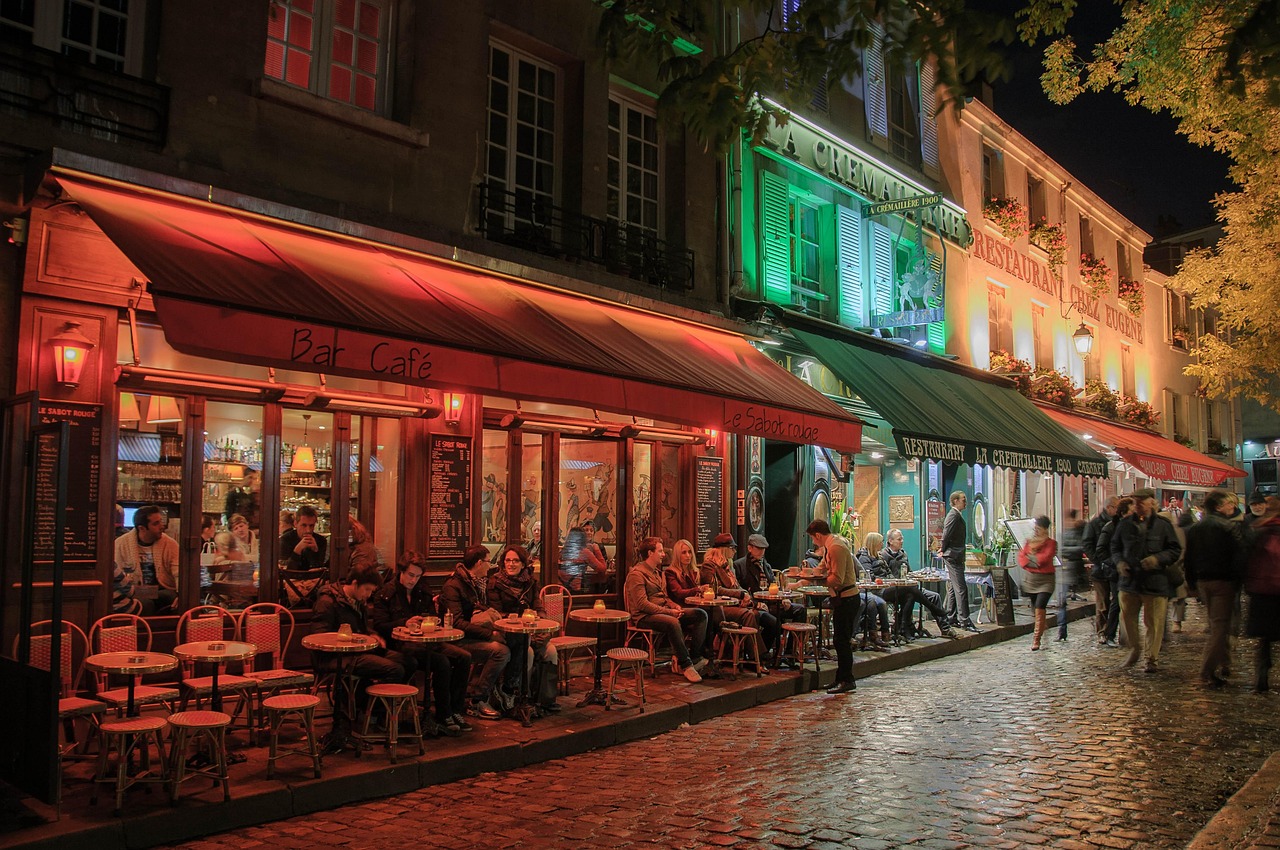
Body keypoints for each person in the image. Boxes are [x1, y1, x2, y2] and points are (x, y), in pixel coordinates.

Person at [310, 566, 414, 751]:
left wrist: (373, 635)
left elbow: (363, 629)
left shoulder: (358, 601)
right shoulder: (328, 601)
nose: (368, 595)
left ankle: (374, 713)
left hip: (359, 651)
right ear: (355, 584)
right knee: (394, 669)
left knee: (408, 661)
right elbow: (321, 636)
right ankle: (372, 715)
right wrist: (358, 639)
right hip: (335, 656)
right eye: (367, 590)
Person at [368, 551, 471, 736]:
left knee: (464, 657)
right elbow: (380, 625)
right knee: (442, 662)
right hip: (400, 644)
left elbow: (432, 615)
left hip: (426, 641)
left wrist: (427, 621)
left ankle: (455, 710)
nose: (413, 580)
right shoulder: (386, 593)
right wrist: (404, 623)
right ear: (401, 571)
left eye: (417, 576)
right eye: (410, 575)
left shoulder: (423, 590)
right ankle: (443, 714)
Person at [1112, 488, 1182, 673]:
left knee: (1155, 623)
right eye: (1135, 501)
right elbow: (1115, 547)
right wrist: (1119, 562)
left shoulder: (1163, 525)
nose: (1138, 505)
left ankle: (1151, 658)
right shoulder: (1125, 524)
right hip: (1129, 582)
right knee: (1127, 620)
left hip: (1155, 582)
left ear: (1152, 502)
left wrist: (1157, 559)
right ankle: (1135, 649)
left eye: (1142, 501)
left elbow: (1174, 550)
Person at [438, 545, 511, 720]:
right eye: (488, 561)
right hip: (456, 640)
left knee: (512, 643)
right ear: (479, 563)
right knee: (501, 651)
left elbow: (479, 609)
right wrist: (489, 634)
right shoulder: (454, 586)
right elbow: (456, 623)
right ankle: (477, 700)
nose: (490, 565)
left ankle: (503, 693)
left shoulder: (476, 583)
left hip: (471, 636)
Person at [623, 537, 709, 683]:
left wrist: (674, 606)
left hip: (663, 611)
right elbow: (642, 605)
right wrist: (670, 612)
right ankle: (686, 665)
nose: (663, 554)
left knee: (700, 614)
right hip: (644, 617)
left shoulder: (658, 573)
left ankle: (695, 658)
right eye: (660, 551)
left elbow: (665, 597)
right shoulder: (636, 574)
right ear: (650, 553)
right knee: (673, 622)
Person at [488, 544, 560, 714]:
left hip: (531, 630)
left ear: (523, 564)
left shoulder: (530, 582)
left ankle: (544, 700)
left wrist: (541, 622)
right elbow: (496, 613)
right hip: (509, 634)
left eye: (515, 561)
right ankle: (521, 698)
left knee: (551, 651)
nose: (511, 564)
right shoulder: (495, 583)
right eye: (507, 560)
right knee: (527, 653)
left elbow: (538, 606)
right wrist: (518, 620)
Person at [1183, 489, 1245, 688]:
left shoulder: (1195, 528)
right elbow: (1238, 556)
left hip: (1203, 581)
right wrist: (1238, 581)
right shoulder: (1227, 527)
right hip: (1222, 582)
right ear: (1218, 506)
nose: (1232, 506)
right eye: (1228, 503)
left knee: (1216, 622)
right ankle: (1207, 670)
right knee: (1219, 627)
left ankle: (1225, 662)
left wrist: (1192, 583)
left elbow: (1189, 558)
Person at [808, 519, 860, 694]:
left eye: (814, 539)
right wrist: (808, 574)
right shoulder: (830, 547)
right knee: (839, 639)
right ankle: (840, 678)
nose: (814, 543)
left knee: (841, 640)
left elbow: (836, 580)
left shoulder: (836, 547)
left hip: (847, 598)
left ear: (818, 535)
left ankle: (847, 679)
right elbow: (822, 567)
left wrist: (817, 580)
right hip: (841, 599)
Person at [871, 530, 954, 639]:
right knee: (910, 594)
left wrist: (916, 575)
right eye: (899, 539)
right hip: (894, 589)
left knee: (934, 596)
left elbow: (909, 572)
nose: (902, 541)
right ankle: (905, 626)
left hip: (909, 586)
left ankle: (945, 628)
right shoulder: (882, 556)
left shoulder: (903, 554)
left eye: (902, 539)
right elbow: (883, 576)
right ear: (890, 541)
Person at [734, 533, 806, 654]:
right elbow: (739, 590)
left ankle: (790, 651)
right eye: (758, 548)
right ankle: (764, 653)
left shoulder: (765, 565)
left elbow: (774, 585)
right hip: (755, 606)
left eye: (763, 549)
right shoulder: (740, 565)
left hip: (771, 603)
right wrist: (755, 603)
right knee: (774, 623)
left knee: (801, 610)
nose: (761, 552)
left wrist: (783, 598)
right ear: (749, 548)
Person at [113, 504, 179, 614]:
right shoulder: (121, 544)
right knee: (145, 602)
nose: (162, 526)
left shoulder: (170, 544)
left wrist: (181, 594)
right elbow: (117, 577)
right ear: (142, 528)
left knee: (170, 597)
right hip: (133, 590)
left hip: (162, 589)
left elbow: (179, 572)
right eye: (156, 523)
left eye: (161, 521)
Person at [1245, 496, 1280, 693]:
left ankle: (1262, 674)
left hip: (1261, 590)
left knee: (1265, 638)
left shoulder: (1257, 529)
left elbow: (1245, 557)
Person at [1017, 516, 1058, 651]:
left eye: (1039, 529)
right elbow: (1022, 558)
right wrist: (1031, 561)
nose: (1036, 532)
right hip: (1031, 581)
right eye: (1035, 529)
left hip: (1046, 581)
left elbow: (1044, 559)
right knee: (1035, 609)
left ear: (1045, 530)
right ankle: (1041, 626)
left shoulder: (1051, 543)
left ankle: (1036, 639)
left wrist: (1031, 560)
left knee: (1040, 607)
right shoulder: (1029, 542)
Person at [1083, 497, 1120, 644]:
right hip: (1101, 570)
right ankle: (1102, 632)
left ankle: (1113, 631)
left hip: (1115, 568)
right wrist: (1098, 561)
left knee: (1117, 602)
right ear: (1109, 507)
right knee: (1103, 604)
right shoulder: (1094, 524)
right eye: (1116, 507)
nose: (1118, 510)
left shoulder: (1119, 524)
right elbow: (1087, 544)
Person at [941, 491, 979, 632]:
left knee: (952, 588)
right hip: (953, 555)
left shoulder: (957, 515)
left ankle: (951, 617)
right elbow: (946, 534)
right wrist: (943, 549)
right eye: (963, 499)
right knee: (961, 588)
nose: (966, 502)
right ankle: (965, 620)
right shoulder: (953, 515)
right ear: (955, 501)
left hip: (955, 554)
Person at [1056, 509, 1086, 642]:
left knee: (1063, 601)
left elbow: (1081, 548)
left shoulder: (1078, 532)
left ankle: (1062, 629)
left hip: (1073, 568)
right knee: (1062, 601)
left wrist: (1067, 552)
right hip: (1065, 568)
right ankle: (1062, 630)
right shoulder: (1066, 533)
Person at [557, 525, 606, 593]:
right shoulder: (584, 552)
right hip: (576, 592)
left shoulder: (562, 551)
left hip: (560, 591)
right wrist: (596, 549)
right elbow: (602, 569)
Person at [281, 504, 328, 570]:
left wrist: (315, 552)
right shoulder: (285, 539)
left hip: (312, 579)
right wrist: (297, 551)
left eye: (311, 526)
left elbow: (318, 571)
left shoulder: (321, 540)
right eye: (304, 525)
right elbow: (285, 570)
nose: (308, 530)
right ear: (295, 524)